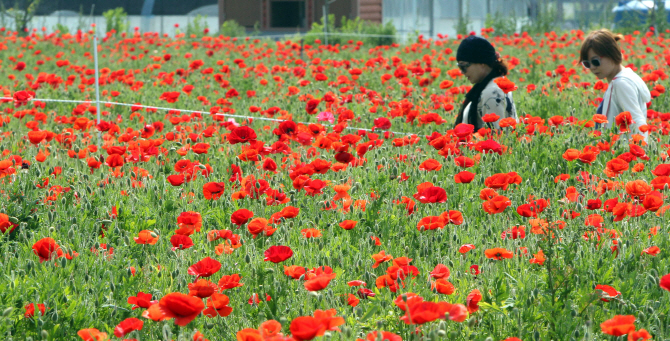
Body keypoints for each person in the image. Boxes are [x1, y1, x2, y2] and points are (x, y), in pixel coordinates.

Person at [580, 29, 651, 141]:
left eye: (595, 61)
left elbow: (637, 120)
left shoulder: (621, 83)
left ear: (612, 54)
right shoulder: (628, 76)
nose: (592, 67)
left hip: (623, 152)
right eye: (587, 63)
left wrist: (640, 153)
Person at [453, 35, 517, 131]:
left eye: (464, 66)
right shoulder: (493, 85)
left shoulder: (492, 91)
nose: (461, 72)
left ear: (481, 63)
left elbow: (497, 137)